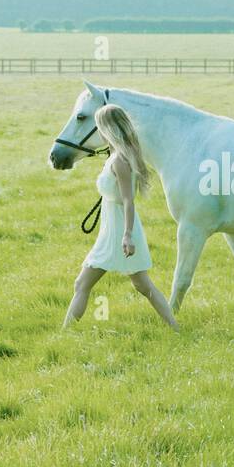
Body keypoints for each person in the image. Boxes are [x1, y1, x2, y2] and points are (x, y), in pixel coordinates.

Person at [63, 104, 179, 330]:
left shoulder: (120, 161)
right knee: (143, 287)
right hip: (113, 231)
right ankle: (174, 328)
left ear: (108, 129)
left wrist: (127, 236)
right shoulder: (117, 156)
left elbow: (128, 200)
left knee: (83, 284)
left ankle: (64, 332)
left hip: (118, 234)